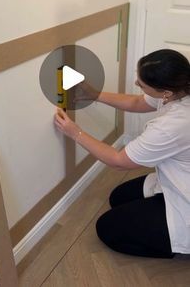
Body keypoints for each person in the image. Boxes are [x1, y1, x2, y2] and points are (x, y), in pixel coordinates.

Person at [54, 49, 190, 258]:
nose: (137, 84)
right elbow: (137, 102)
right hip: (180, 177)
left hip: (186, 197)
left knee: (107, 229)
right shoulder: (180, 88)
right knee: (118, 197)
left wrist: (76, 133)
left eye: (142, 84)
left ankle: (175, 246)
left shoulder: (173, 126)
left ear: (166, 93)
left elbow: (118, 161)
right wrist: (94, 94)